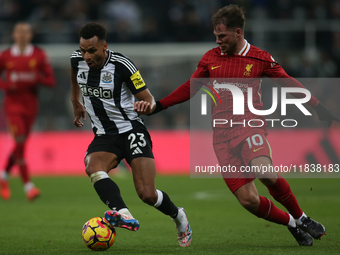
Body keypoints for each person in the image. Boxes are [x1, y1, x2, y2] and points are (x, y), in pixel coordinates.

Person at [135, 5, 339, 246]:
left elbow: (288, 82)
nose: (218, 40)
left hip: (249, 126)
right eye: (216, 36)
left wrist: (317, 106)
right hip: (221, 136)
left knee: (265, 171)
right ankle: (292, 224)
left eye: (222, 36)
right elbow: (191, 87)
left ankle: (302, 218)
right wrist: (159, 105)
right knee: (248, 201)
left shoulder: (260, 57)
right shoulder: (210, 58)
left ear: (238, 32)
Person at [70, 22, 192, 247]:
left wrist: (146, 105)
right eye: (83, 50)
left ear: (104, 46)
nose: (86, 56)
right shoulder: (76, 60)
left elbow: (148, 98)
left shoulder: (122, 65)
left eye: (92, 51)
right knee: (92, 167)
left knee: (147, 194)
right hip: (104, 135)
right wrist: (76, 102)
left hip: (131, 130)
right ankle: (123, 213)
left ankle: (179, 215)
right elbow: (74, 76)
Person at [0, 22, 56, 201]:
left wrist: (36, 78)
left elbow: (50, 80)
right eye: (19, 32)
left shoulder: (39, 55)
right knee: (20, 140)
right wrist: (7, 86)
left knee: (20, 144)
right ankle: (28, 186)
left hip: (31, 105)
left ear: (30, 35)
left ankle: (3, 177)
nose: (22, 35)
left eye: (25, 32)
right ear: (14, 35)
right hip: (12, 105)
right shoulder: (6, 56)